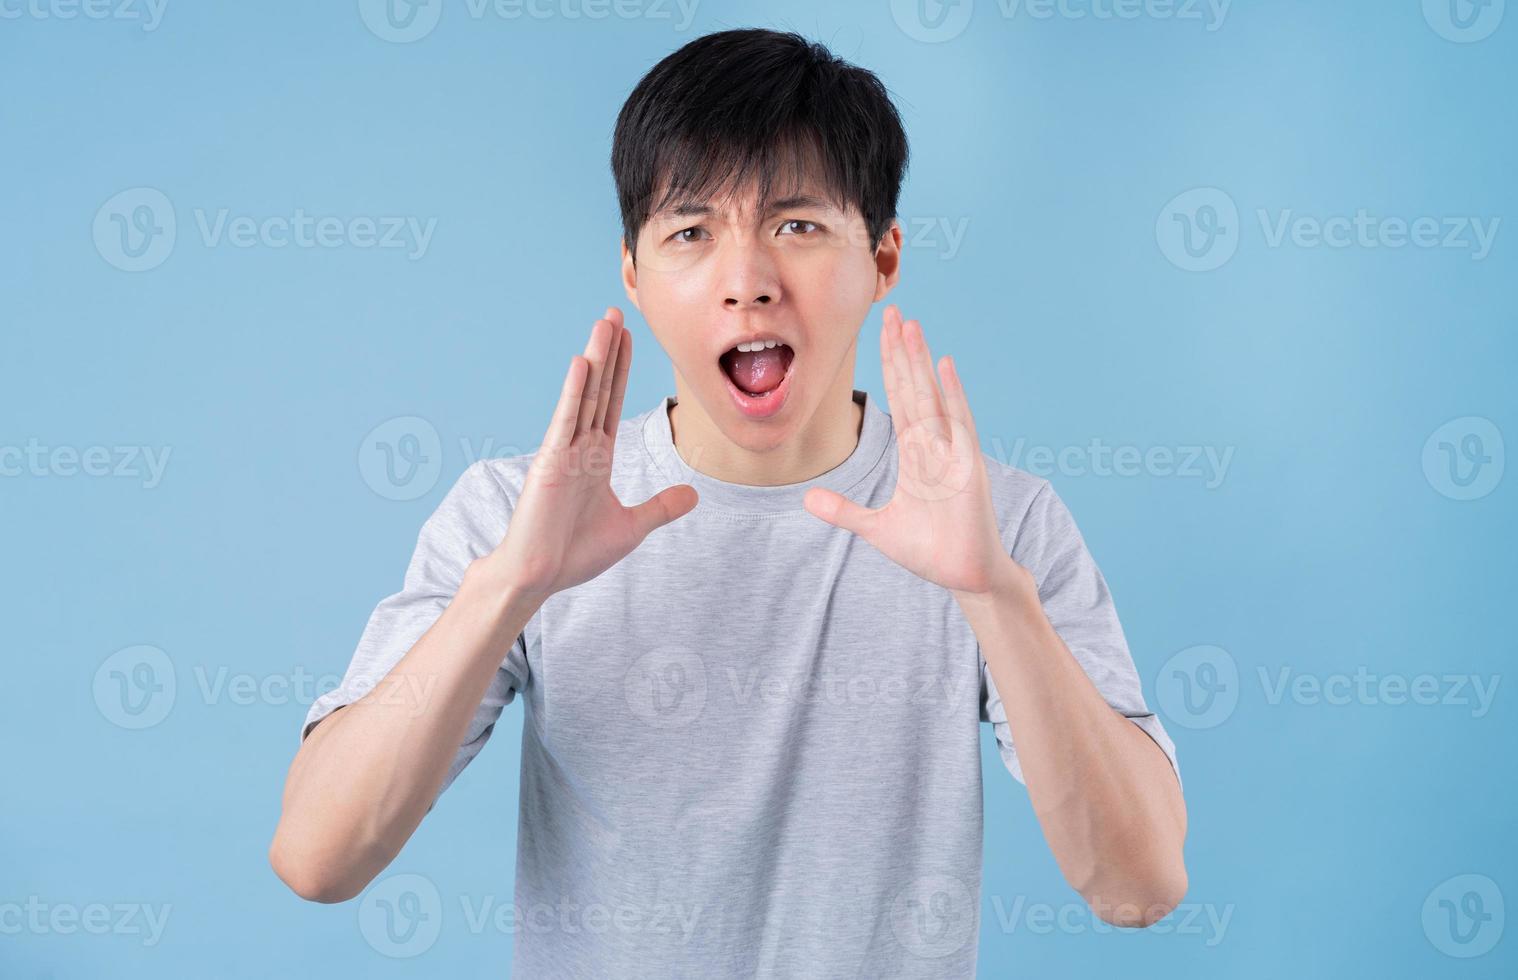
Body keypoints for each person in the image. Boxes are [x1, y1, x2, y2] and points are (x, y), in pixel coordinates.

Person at [269, 27, 1187, 978]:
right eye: (691, 233)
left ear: (884, 259)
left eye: (797, 225)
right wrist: (510, 585)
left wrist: (996, 597)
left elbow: (1140, 885)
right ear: (633, 270)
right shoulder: (517, 513)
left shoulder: (1000, 526)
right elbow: (317, 857)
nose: (747, 282)